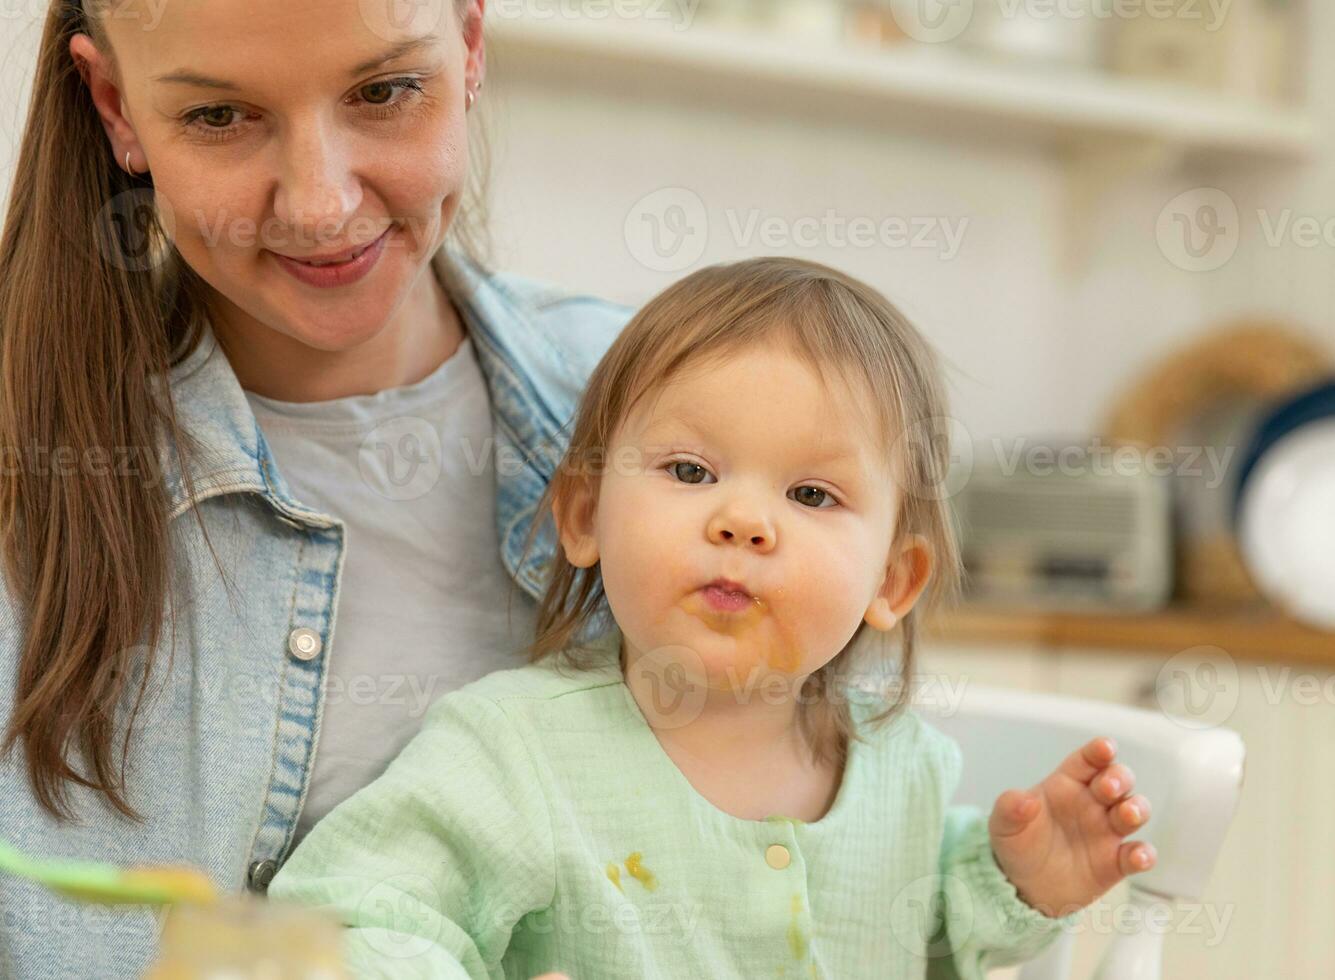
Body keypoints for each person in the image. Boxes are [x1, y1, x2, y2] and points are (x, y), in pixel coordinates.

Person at [268, 257, 1157, 979]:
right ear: (583, 516)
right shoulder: (512, 751)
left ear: (894, 579)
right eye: (691, 472)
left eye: (811, 493)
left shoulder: (904, 770)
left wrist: (1019, 882)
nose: (742, 521)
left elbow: (915, 933)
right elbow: (353, 916)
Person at [0, 1, 628, 975]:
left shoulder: (654, 418)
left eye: (383, 92)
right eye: (219, 116)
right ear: (116, 106)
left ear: (468, 49)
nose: (321, 204)